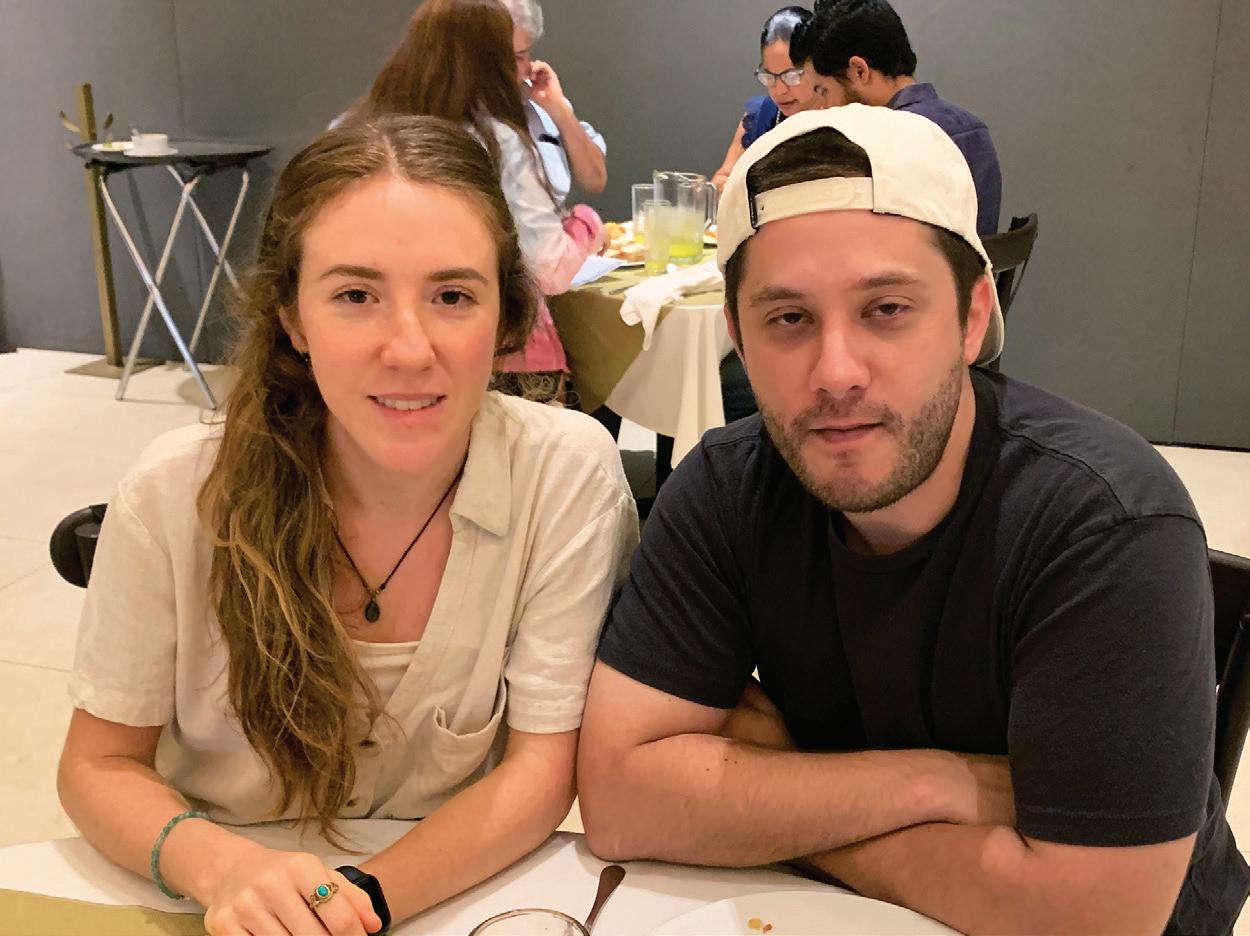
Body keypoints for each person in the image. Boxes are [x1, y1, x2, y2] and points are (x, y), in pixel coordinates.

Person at [577, 104, 1249, 935]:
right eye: (788, 319)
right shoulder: (724, 490)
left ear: (972, 317)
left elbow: (1088, 920)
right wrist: (941, 783)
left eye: (887, 309)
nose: (836, 372)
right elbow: (619, 798)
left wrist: (772, 796)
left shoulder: (1105, 526)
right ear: (738, 341)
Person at [58, 116, 637, 935]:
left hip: (446, 893)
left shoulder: (566, 476)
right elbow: (98, 765)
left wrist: (352, 905)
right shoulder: (175, 494)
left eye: (452, 296)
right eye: (356, 296)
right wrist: (223, 870)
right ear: (293, 318)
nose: (409, 350)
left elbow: (541, 769)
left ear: (506, 318)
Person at [343, 0, 605, 403]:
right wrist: (585, 225)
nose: (526, 69)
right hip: (497, 353)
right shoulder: (500, 142)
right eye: (517, 57)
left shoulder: (353, 130)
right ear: (484, 62)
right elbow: (548, 269)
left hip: (371, 343)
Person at [790, 0, 1002, 235]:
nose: (824, 107)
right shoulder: (974, 130)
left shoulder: (881, 147)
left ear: (860, 71)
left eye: (824, 91)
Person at [502, 0, 607, 206]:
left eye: (521, 56)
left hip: (552, 224)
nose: (511, 68)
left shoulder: (540, 99)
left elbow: (595, 180)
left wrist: (559, 110)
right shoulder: (461, 116)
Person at [712, 6, 818, 192]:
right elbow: (722, 179)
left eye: (791, 76)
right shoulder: (761, 115)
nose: (779, 90)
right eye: (769, 77)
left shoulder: (840, 114)